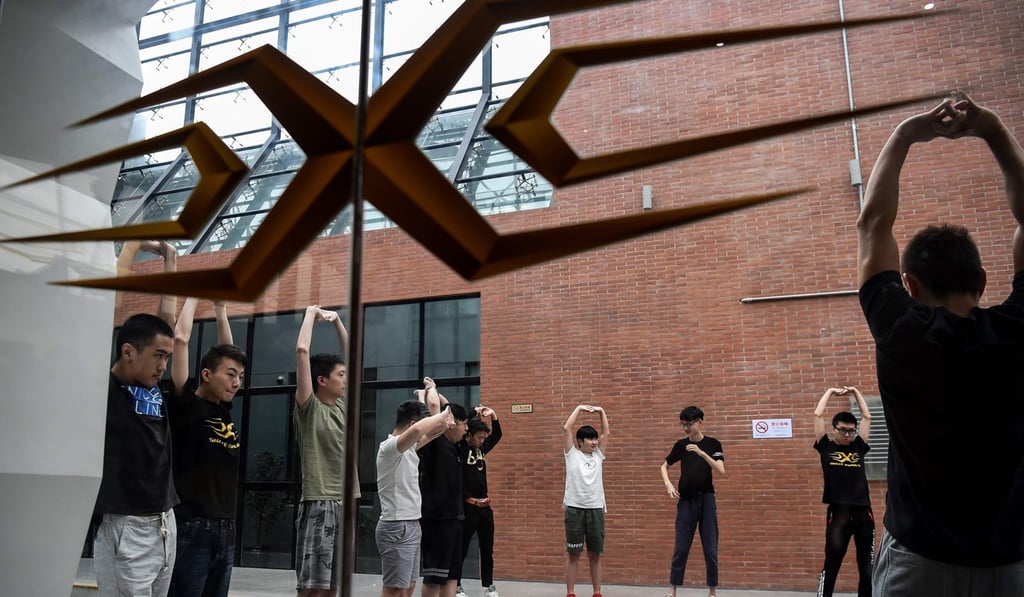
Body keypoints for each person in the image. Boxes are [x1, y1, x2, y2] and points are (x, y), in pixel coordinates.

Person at [856, 92, 1024, 596]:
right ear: (985, 280)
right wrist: (992, 130)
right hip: (1007, 565)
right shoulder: (1017, 333)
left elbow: (873, 224)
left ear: (908, 286)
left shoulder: (901, 331)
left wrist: (907, 133)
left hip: (917, 563)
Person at [93, 242, 179, 597]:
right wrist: (129, 249)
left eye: (167, 356)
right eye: (158, 356)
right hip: (125, 523)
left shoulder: (153, 383)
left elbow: (166, 324)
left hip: (165, 520)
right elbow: (104, 314)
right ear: (128, 352)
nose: (164, 365)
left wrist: (171, 261)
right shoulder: (106, 387)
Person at [167, 297, 248, 597]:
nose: (237, 382)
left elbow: (228, 351)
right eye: (231, 375)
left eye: (240, 377)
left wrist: (220, 308)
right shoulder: (186, 404)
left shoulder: (223, 410)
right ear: (206, 375)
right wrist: (192, 296)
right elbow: (180, 338)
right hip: (192, 525)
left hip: (226, 527)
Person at [293, 304, 359, 597]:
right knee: (313, 588)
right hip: (319, 501)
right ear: (322, 381)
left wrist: (337, 323)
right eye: (340, 375)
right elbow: (302, 352)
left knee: (334, 587)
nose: (345, 380)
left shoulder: (344, 405)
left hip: (345, 503)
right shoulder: (310, 407)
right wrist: (311, 314)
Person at [376, 395, 455, 597]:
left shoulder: (409, 447)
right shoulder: (390, 447)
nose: (422, 432)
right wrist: (443, 414)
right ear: (412, 423)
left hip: (411, 524)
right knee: (395, 589)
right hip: (396, 526)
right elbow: (421, 430)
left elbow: (433, 433)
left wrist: (445, 423)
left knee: (408, 587)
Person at [812, 386, 874, 597]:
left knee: (867, 566)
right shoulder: (826, 447)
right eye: (843, 430)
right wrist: (829, 391)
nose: (848, 435)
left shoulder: (858, 446)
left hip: (864, 513)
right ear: (834, 430)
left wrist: (856, 392)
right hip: (838, 513)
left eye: (851, 431)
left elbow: (867, 416)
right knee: (832, 563)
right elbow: (818, 414)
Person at [659, 406, 724, 597]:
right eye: (683, 424)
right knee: (681, 547)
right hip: (686, 501)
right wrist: (668, 485)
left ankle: (712, 591)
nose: (686, 428)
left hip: (707, 500)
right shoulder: (680, 445)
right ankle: (673, 590)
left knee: (710, 548)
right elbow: (664, 466)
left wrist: (702, 453)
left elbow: (721, 470)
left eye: (690, 424)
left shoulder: (713, 444)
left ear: (700, 422)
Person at [418, 378, 471, 597]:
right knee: (434, 578)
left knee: (452, 576)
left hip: (455, 520)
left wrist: (443, 400)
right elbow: (434, 409)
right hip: (436, 520)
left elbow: (447, 408)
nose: (467, 428)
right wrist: (431, 389)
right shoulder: (435, 441)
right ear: (451, 423)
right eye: (464, 423)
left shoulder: (455, 447)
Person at [562, 404, 610, 597]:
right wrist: (579, 408)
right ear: (580, 441)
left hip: (596, 509)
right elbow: (566, 428)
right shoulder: (571, 455)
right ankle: (570, 593)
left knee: (595, 554)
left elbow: (607, 432)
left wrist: (601, 411)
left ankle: (597, 592)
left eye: (595, 438)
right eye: (590, 438)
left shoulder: (598, 456)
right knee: (574, 554)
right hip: (574, 510)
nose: (594, 442)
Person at [455, 406, 504, 597]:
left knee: (487, 548)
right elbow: (463, 423)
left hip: (485, 507)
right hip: (469, 506)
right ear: (469, 436)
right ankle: (457, 585)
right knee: (463, 547)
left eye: (484, 438)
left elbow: (497, 434)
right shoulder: (461, 448)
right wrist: (474, 412)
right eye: (479, 437)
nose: (482, 441)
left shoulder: (481, 449)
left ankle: (488, 586)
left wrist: (493, 415)